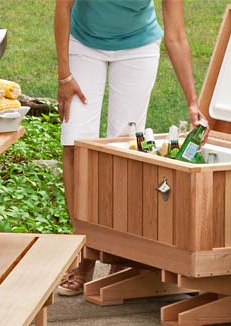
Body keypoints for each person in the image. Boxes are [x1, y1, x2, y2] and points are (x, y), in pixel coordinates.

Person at [54, 0, 207, 296]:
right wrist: (64, 75)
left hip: (138, 47)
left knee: (124, 149)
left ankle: (117, 252)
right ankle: (84, 252)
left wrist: (192, 100)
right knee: (74, 144)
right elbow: (63, 7)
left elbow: (175, 33)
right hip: (84, 43)